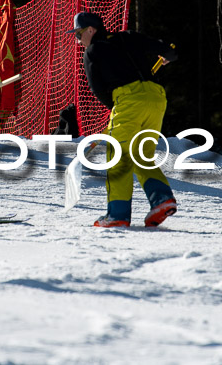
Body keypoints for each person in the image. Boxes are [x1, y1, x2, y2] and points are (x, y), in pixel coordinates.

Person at [69, 12, 179, 228]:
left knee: (117, 156)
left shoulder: (93, 51)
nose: (78, 40)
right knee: (142, 156)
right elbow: (167, 50)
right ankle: (162, 200)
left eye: (78, 34)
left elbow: (98, 89)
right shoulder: (127, 36)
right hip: (156, 98)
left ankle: (117, 215)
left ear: (91, 30)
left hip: (129, 101)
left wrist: (118, 110)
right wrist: (168, 56)